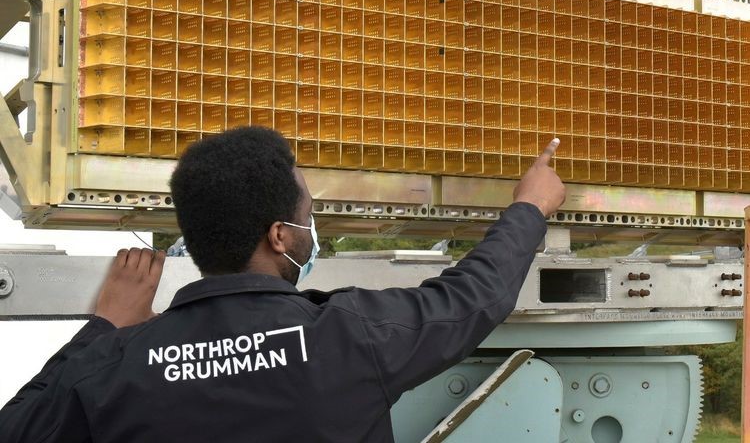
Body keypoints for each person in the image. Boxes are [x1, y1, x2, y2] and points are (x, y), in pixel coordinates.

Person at [0, 127, 565, 442]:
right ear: (278, 236)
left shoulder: (111, 367)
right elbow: (474, 296)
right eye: (307, 217)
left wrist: (103, 328)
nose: (311, 230)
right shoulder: (349, 337)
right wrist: (529, 207)